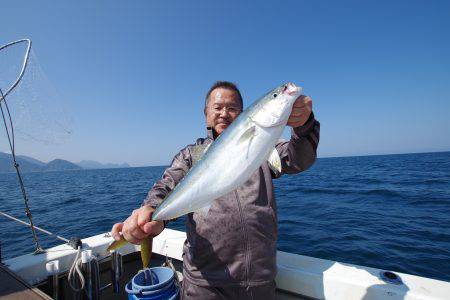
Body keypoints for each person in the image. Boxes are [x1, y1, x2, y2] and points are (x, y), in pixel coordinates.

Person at [111, 81, 320, 299]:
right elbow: (165, 187)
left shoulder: (265, 146)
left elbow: (298, 159)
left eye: (232, 108)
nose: (224, 113)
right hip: (205, 283)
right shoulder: (190, 155)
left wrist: (304, 126)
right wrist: (152, 212)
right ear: (206, 114)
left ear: (244, 113)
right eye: (217, 107)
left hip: (259, 281)